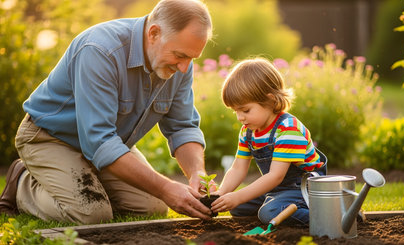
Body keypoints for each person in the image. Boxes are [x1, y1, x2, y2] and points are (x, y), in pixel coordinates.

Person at [0, 0, 215, 224]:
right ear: (154, 33)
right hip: (51, 139)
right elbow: (99, 141)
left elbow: (182, 126)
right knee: (90, 215)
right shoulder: (100, 50)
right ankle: (22, 183)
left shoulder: (180, 65)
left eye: (192, 58)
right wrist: (165, 187)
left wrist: (197, 172)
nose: (184, 67)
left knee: (152, 207)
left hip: (109, 146)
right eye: (180, 55)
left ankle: (82, 183)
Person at [211, 58, 327, 225]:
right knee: (237, 208)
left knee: (269, 212)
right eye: (235, 111)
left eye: (245, 110)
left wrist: (237, 196)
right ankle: (279, 206)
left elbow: (275, 176)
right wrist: (222, 193)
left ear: (271, 100)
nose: (239, 117)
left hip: (305, 188)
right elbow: (238, 168)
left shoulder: (288, 129)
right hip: (278, 189)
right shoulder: (248, 131)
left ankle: (333, 215)